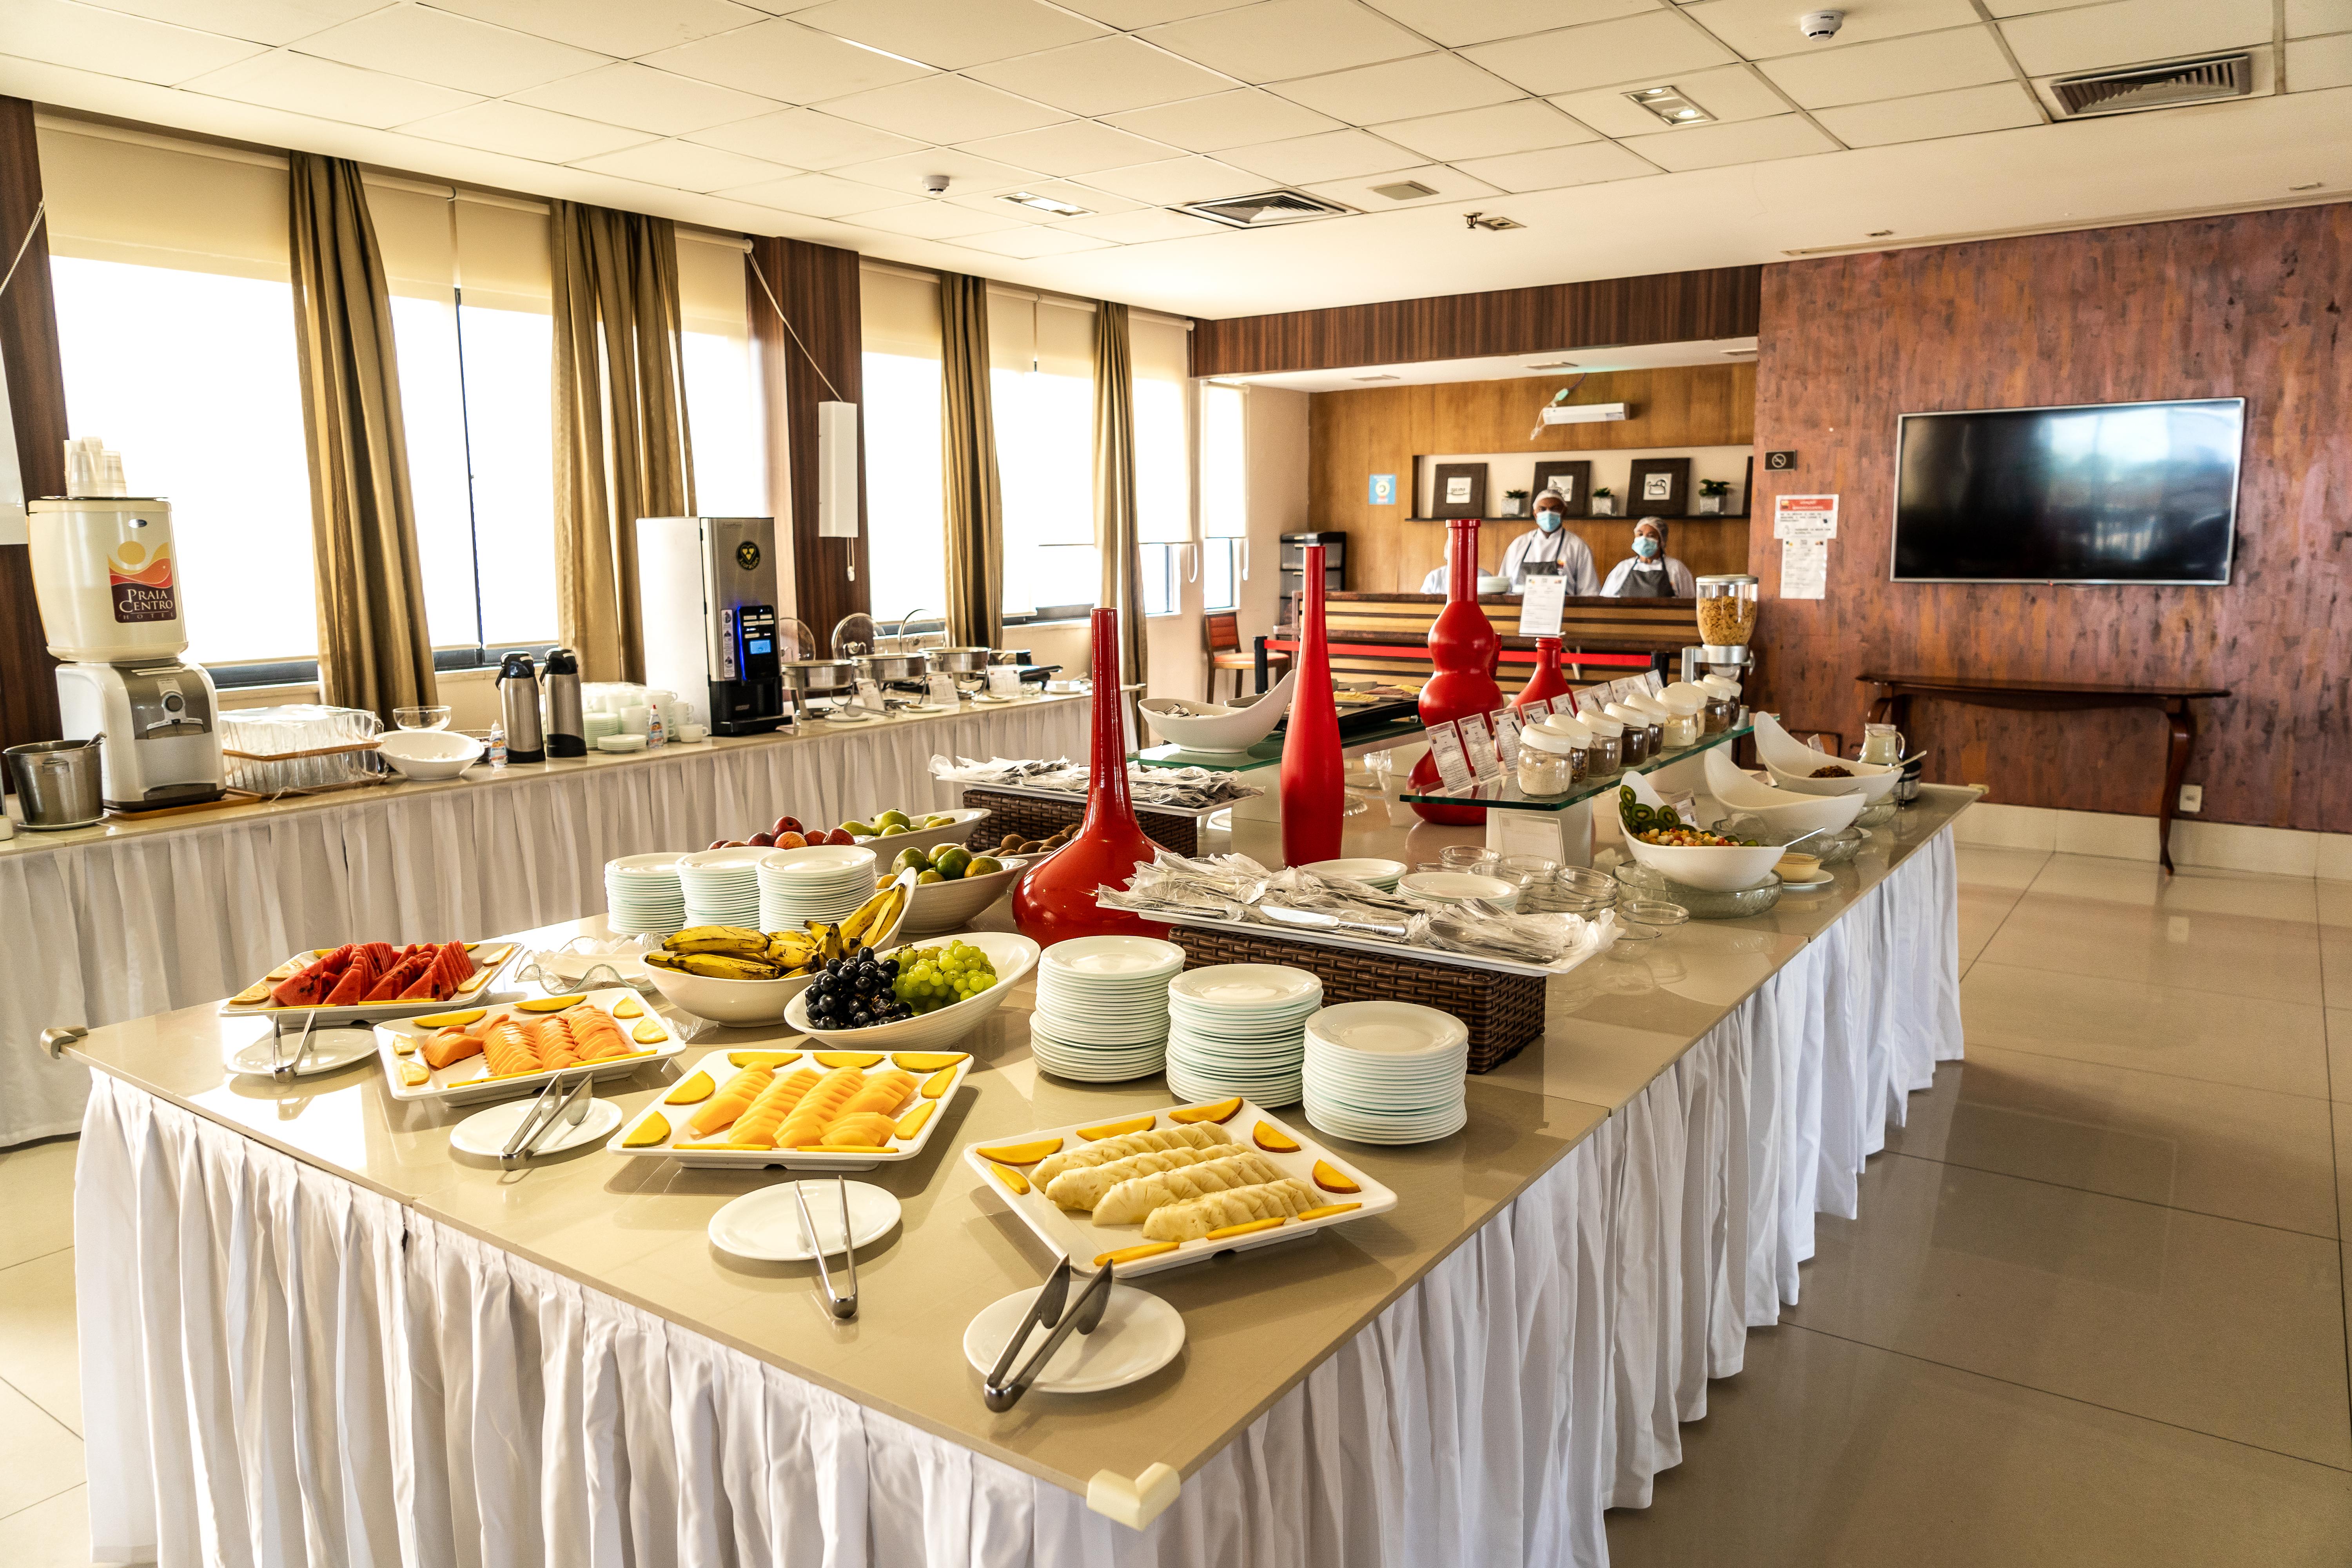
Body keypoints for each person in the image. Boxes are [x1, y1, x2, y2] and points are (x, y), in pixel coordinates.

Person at [1601, 516, 1698, 597]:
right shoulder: (1623, 568)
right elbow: (1605, 601)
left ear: (1661, 541)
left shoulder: (1676, 568)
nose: (1644, 539)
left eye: (1651, 536)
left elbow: (1689, 602)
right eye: (1640, 535)